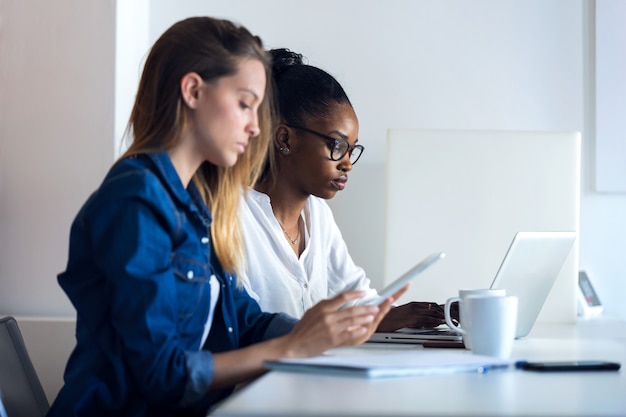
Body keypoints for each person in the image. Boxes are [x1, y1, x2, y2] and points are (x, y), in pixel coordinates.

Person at [47, 18, 405, 417]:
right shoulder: (136, 200)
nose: (255, 128)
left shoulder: (195, 203)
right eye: (244, 104)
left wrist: (319, 332)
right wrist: (291, 346)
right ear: (194, 91)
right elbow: (162, 373)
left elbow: (243, 320)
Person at [239, 48, 453, 333]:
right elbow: (244, 328)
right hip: (263, 377)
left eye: (352, 150)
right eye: (337, 146)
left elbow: (355, 298)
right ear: (285, 138)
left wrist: (400, 315)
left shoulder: (319, 216)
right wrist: (370, 319)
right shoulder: (234, 217)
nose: (348, 164)